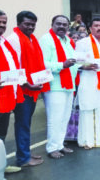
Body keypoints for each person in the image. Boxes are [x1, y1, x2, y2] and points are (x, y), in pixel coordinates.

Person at [7, 11, 48, 167]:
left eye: (33, 24)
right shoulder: (14, 39)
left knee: (26, 123)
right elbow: (14, 67)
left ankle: (25, 152)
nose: (31, 27)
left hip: (32, 88)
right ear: (18, 24)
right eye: (27, 24)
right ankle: (23, 158)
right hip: (22, 90)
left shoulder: (31, 39)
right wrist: (26, 84)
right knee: (22, 124)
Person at [39, 15, 78, 159]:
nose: (61, 26)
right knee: (54, 118)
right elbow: (43, 63)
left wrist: (84, 65)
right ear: (52, 24)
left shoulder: (68, 41)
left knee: (64, 117)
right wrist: (62, 65)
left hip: (69, 84)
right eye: (58, 24)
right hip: (55, 85)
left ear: (68, 26)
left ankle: (60, 144)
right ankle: (52, 148)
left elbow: (74, 60)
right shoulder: (46, 40)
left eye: (64, 24)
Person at [76, 17, 100, 149]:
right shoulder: (83, 43)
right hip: (89, 81)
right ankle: (87, 141)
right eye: (96, 26)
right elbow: (76, 62)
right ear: (90, 28)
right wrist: (83, 66)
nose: (99, 28)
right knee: (88, 109)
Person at [0, 9, 24, 174]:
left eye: (4, 22)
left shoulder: (4, 42)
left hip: (6, 97)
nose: (1, 25)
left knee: (0, 135)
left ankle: (0, 165)